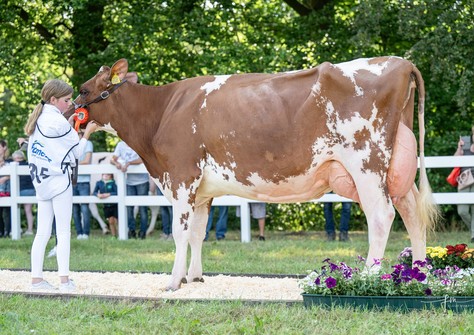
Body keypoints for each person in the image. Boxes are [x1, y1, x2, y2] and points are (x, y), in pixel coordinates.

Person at [24, 78, 98, 292]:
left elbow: (54, 142)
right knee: (63, 231)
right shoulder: (56, 122)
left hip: (42, 181)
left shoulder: (40, 119)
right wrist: (88, 132)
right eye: (66, 100)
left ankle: (36, 280)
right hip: (59, 180)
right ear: (53, 99)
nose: (70, 104)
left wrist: (69, 124)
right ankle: (64, 281)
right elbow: (76, 152)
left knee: (42, 232)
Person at [111, 140, 149, 239]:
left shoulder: (138, 142)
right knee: (128, 208)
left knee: (143, 208)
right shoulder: (120, 145)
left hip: (142, 181)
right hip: (129, 182)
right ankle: (131, 231)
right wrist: (116, 164)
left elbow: (143, 159)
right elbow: (113, 159)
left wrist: (129, 163)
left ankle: (142, 232)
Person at [72, 131, 93, 240]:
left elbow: (86, 161)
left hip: (84, 181)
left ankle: (86, 232)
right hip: (72, 181)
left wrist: (72, 163)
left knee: (84, 208)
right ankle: (79, 232)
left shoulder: (88, 144)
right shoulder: (70, 144)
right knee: (75, 209)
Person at [455, 126, 474, 243]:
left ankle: (473, 235)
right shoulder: (465, 141)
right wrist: (459, 149)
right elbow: (455, 160)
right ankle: (473, 230)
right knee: (462, 210)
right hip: (465, 179)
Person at [12, 150, 36, 235]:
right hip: (30, 189)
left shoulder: (13, 166)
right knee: (28, 211)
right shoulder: (28, 164)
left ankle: (21, 229)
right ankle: (29, 230)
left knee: (17, 210)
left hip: (21, 190)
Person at [0, 139, 12, 238]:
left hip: (8, 190)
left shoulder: (10, 160)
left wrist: (6, 177)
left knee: (7, 212)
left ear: (4, 148)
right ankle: (1, 231)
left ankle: (7, 232)